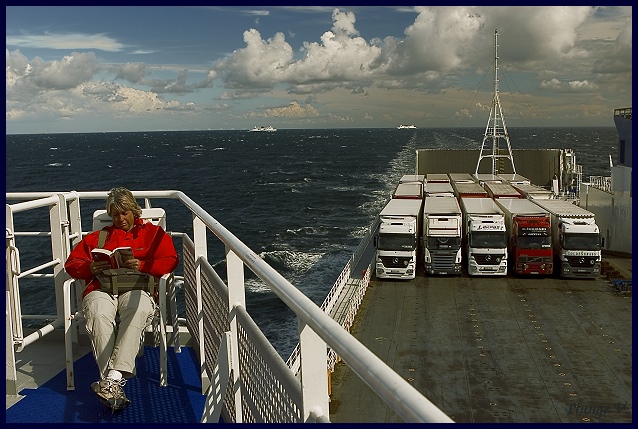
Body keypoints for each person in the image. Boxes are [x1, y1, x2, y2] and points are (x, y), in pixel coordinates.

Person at [65, 187, 179, 411]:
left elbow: (170, 260)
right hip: (102, 288)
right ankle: (114, 382)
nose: (120, 218)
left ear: (134, 211)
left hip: (137, 286)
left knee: (136, 311)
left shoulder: (154, 235)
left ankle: (112, 378)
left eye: (124, 212)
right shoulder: (98, 238)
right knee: (98, 314)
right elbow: (71, 264)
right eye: (115, 214)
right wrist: (90, 266)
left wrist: (144, 265)